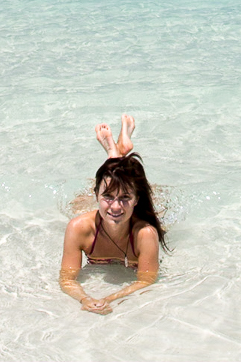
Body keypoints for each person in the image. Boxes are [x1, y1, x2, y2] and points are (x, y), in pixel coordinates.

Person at [58, 115, 166, 314]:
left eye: (125, 198)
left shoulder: (145, 234)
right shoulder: (79, 228)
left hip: (134, 216)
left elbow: (147, 280)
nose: (116, 207)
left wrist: (109, 299)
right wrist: (84, 298)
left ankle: (115, 152)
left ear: (136, 200)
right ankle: (115, 153)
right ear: (96, 195)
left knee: (157, 214)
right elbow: (66, 277)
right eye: (107, 197)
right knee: (80, 204)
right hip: (95, 214)